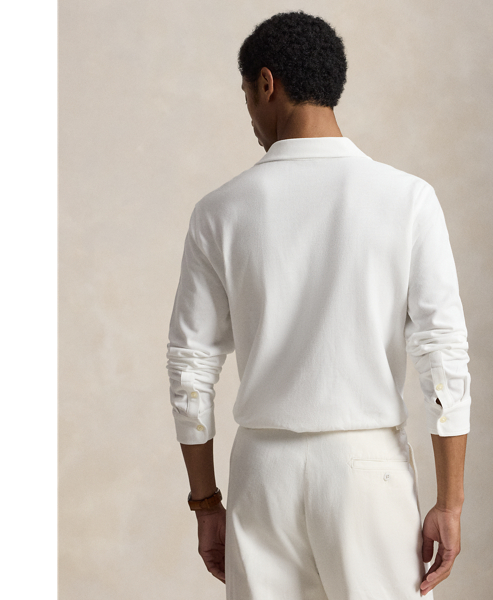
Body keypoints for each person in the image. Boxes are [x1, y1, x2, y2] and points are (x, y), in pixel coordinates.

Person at [166, 10, 470, 600]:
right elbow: (443, 352)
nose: (250, 115)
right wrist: (450, 502)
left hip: (262, 474)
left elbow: (190, 366)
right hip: (368, 469)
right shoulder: (407, 199)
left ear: (266, 83)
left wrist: (206, 502)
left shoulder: (219, 211)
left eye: (247, 94)